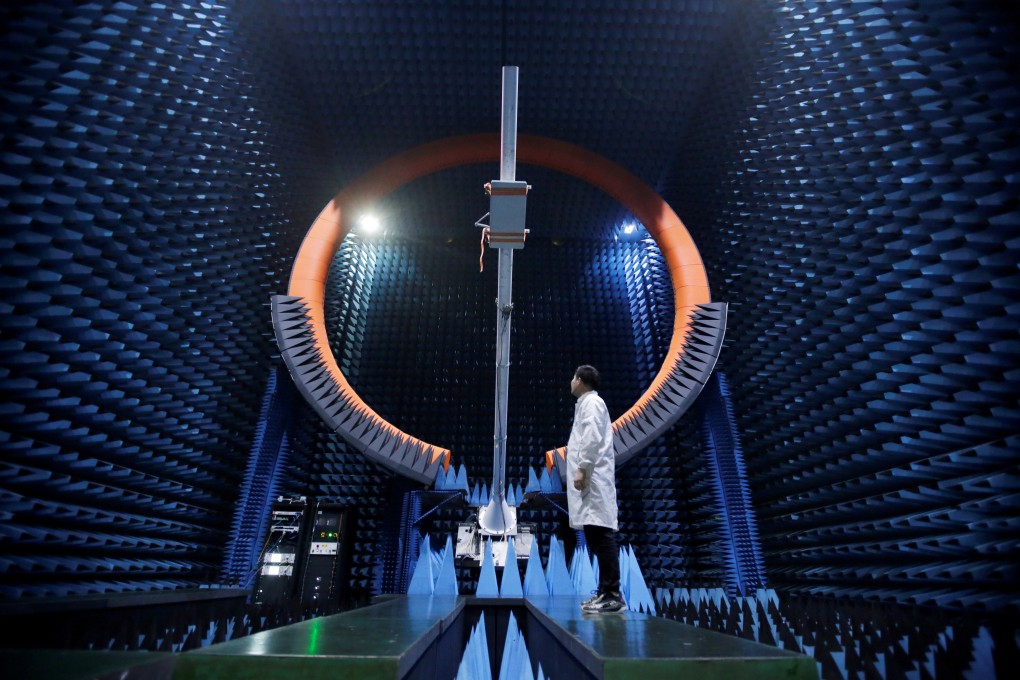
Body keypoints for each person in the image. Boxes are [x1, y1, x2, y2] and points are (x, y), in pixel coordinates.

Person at [565, 365, 624, 613]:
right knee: (595, 536)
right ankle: (604, 592)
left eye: (573, 378)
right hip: (591, 481)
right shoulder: (587, 404)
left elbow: (591, 437)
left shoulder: (592, 404)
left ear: (580, 380)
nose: (571, 382)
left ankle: (612, 594)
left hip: (594, 480)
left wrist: (583, 468)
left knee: (601, 535)